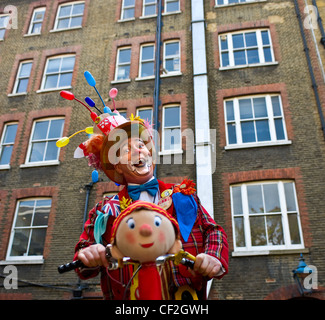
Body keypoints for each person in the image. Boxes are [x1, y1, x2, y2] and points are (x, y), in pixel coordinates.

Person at [71, 114, 229, 300]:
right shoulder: (104, 211)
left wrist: (214, 257)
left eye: (140, 145)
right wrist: (88, 255)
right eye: (126, 150)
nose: (138, 151)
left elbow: (212, 230)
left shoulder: (183, 195)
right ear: (118, 167)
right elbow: (83, 255)